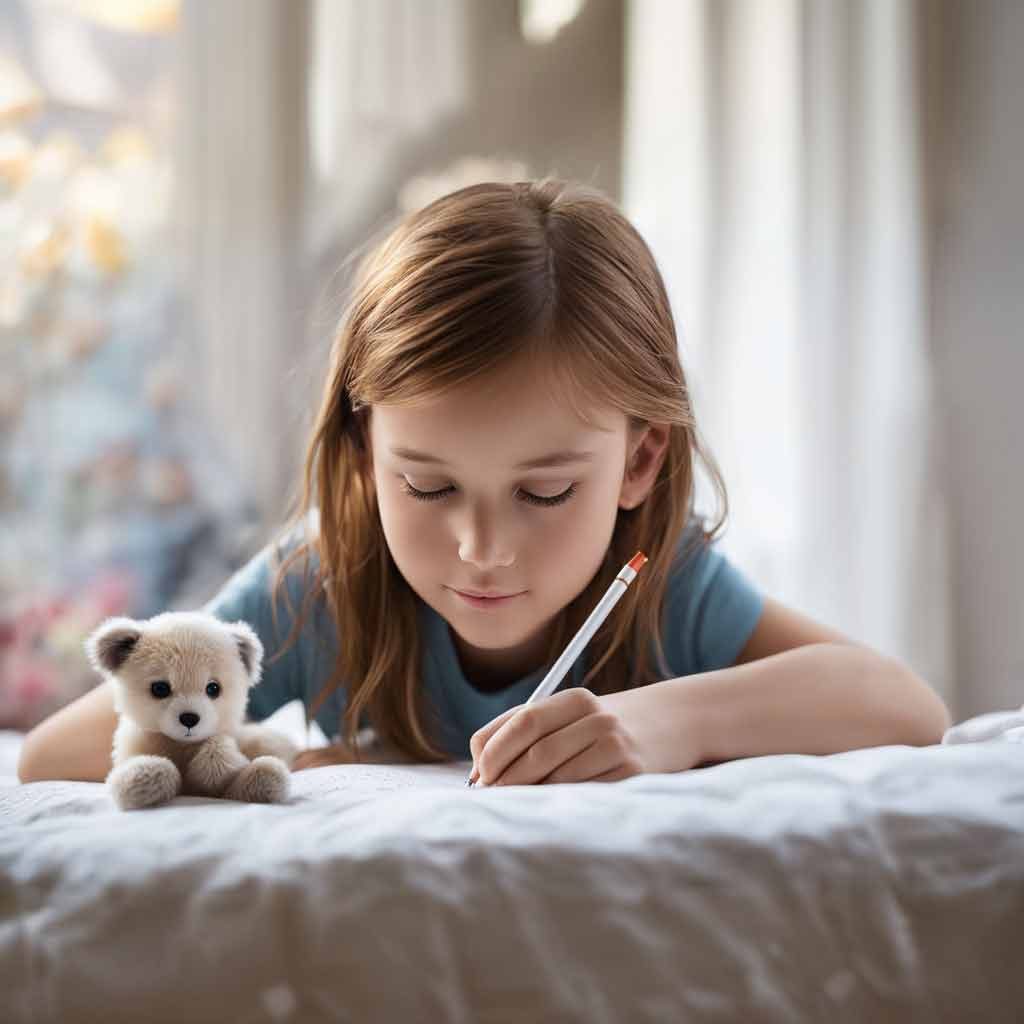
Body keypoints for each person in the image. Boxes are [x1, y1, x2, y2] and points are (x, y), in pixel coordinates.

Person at [17, 178, 951, 788]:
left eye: (544, 494)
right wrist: (305, 765)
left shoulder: (662, 581)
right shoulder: (320, 585)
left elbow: (905, 706)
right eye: (425, 488)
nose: (482, 549)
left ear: (639, 461)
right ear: (361, 452)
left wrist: (673, 720)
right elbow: (55, 759)